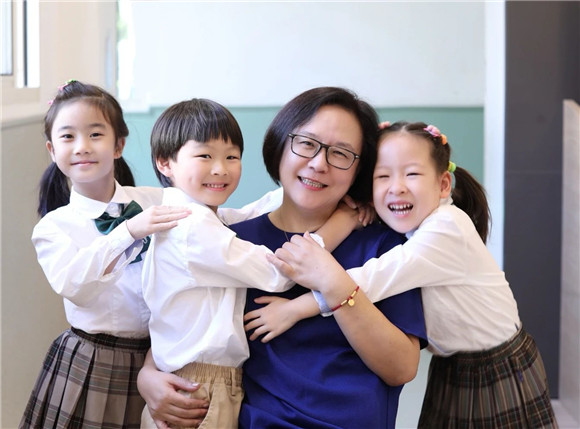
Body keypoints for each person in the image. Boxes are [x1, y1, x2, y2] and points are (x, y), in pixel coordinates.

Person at [137, 87, 427, 429]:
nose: (319, 163)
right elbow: (185, 317)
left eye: (341, 153)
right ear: (280, 145)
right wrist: (148, 374)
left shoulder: (383, 245)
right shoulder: (233, 240)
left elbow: (401, 369)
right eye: (306, 143)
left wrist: (334, 282)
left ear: (358, 169)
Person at [268, 121, 558, 428]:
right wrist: (354, 214)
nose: (397, 187)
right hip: (452, 365)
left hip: (496, 365)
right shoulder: (412, 224)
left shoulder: (446, 228)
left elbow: (374, 278)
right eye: (383, 176)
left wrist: (293, 309)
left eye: (412, 174)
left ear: (443, 184)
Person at [20, 80, 192, 429]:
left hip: (161, 357)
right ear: (52, 149)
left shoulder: (154, 200)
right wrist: (128, 232)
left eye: (95, 134)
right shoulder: (53, 227)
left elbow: (215, 219)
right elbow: (74, 286)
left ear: (118, 145)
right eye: (68, 137)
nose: (82, 146)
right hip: (93, 362)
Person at [140, 98, 300, 429]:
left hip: (189, 380)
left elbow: (250, 212)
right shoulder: (193, 226)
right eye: (205, 156)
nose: (220, 169)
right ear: (165, 162)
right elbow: (275, 274)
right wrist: (337, 226)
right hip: (202, 389)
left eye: (232, 156)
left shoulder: (195, 217)